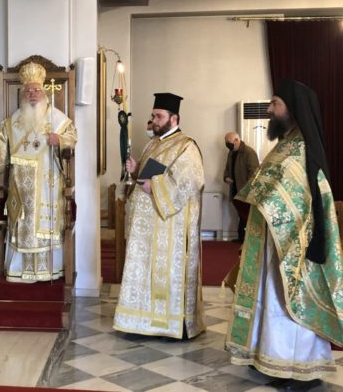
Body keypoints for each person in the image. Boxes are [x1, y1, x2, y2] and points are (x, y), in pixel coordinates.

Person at [226, 79, 343, 384]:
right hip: (271, 240)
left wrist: (267, 199)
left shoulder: (303, 149)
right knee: (271, 300)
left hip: (293, 245)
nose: (269, 109)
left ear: (292, 109)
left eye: (275, 103)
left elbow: (303, 199)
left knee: (290, 303)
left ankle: (300, 370)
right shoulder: (285, 145)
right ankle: (268, 357)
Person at [113, 92, 205, 340]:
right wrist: (135, 171)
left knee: (164, 275)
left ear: (174, 118)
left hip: (169, 229)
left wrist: (154, 186)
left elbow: (189, 182)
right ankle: (140, 321)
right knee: (144, 271)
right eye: (153, 116)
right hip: (146, 227)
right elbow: (144, 178)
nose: (154, 120)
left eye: (159, 116)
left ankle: (169, 325)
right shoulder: (152, 144)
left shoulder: (186, 147)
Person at [0, 61, 77, 283]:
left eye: (36, 90)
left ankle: (49, 271)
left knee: (44, 225)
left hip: (47, 186)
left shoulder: (57, 119)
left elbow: (72, 137)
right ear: (23, 94)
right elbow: (0, 137)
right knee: (22, 224)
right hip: (20, 188)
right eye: (28, 91)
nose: (32, 94)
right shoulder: (14, 120)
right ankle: (18, 271)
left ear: (44, 92)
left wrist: (59, 140)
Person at [223, 131, 259, 241]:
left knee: (247, 216)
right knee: (241, 215)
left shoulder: (249, 153)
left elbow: (254, 173)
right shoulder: (231, 153)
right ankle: (241, 238)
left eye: (229, 142)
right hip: (235, 190)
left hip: (246, 191)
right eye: (226, 142)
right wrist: (226, 177)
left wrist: (248, 190)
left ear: (236, 140)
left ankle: (247, 239)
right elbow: (227, 169)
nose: (227, 144)